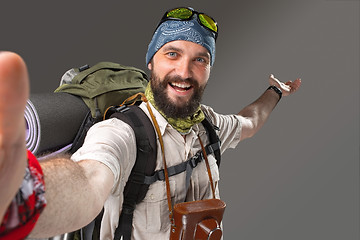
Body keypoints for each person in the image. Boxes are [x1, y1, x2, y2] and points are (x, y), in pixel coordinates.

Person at [0, 7, 301, 240]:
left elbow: (250, 120)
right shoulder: (123, 132)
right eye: (172, 54)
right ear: (151, 61)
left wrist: (276, 91)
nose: (184, 71)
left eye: (200, 59)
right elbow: (88, 180)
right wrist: (22, 197)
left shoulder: (208, 125)